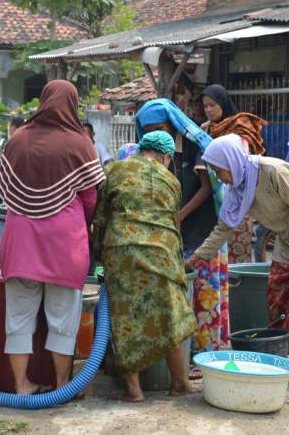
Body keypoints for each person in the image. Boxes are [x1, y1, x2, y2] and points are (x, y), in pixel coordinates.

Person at [190, 134, 289, 391]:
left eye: (219, 169)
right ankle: (278, 362)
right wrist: (195, 259)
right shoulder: (238, 187)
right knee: (277, 293)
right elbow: (224, 228)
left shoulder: (272, 171)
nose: (218, 176)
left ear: (232, 161)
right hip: (286, 235)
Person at [0, 80, 105, 395]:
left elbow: (3, 188)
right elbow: (90, 199)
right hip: (64, 244)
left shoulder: (18, 140)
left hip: (20, 242)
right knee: (63, 319)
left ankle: (21, 385)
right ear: (72, 103)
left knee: (17, 318)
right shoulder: (80, 142)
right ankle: (61, 385)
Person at [92, 130, 195, 402]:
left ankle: (134, 390)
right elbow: (172, 220)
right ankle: (180, 383)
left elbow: (101, 217)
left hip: (122, 249)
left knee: (126, 318)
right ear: (167, 156)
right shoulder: (171, 180)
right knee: (168, 315)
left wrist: (97, 255)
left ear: (142, 149)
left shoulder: (114, 169)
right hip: (161, 250)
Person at [134, 98, 230, 363]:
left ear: (172, 124)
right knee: (183, 295)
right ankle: (188, 353)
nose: (157, 133)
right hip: (176, 229)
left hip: (202, 227)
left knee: (204, 290)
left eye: (161, 127)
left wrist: (180, 215)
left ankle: (206, 354)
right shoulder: (152, 151)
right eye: (150, 129)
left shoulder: (194, 144)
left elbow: (207, 188)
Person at [199, 84, 267, 264]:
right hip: (214, 195)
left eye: (212, 105)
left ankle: (241, 287)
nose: (208, 110)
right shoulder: (206, 130)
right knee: (216, 245)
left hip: (240, 190)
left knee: (237, 246)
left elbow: (248, 157)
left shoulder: (240, 125)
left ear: (222, 102)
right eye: (205, 106)